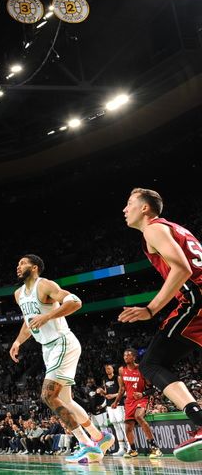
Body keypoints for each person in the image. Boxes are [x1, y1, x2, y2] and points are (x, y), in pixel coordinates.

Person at [119, 187, 202, 462]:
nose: (124, 209)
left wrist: (151, 309)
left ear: (145, 208)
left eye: (129, 203)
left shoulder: (153, 229)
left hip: (197, 297)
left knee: (152, 363)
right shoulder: (174, 229)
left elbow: (183, 269)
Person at [8, 255, 113, 464]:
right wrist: (18, 342)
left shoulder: (44, 285)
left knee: (47, 396)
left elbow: (75, 301)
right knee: (65, 400)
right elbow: (28, 322)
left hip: (62, 341)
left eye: (22, 263)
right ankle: (100, 438)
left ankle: (86, 445)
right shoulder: (19, 294)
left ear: (35, 267)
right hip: (47, 348)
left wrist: (48, 316)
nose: (18, 266)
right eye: (17, 263)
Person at [112, 348, 162, 458]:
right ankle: (133, 450)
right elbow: (121, 389)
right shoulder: (121, 370)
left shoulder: (141, 369)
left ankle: (155, 448)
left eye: (128, 355)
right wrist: (116, 402)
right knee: (128, 427)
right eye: (124, 355)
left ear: (134, 357)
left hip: (142, 399)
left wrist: (142, 393)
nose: (125, 357)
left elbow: (152, 389)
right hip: (129, 401)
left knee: (138, 416)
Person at [101, 363, 128, 456]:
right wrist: (102, 392)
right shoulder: (104, 379)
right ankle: (121, 448)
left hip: (118, 404)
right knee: (116, 425)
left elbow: (123, 392)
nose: (108, 370)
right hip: (109, 405)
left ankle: (129, 447)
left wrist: (113, 396)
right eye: (106, 369)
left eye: (109, 368)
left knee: (122, 424)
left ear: (113, 369)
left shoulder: (118, 378)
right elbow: (105, 392)